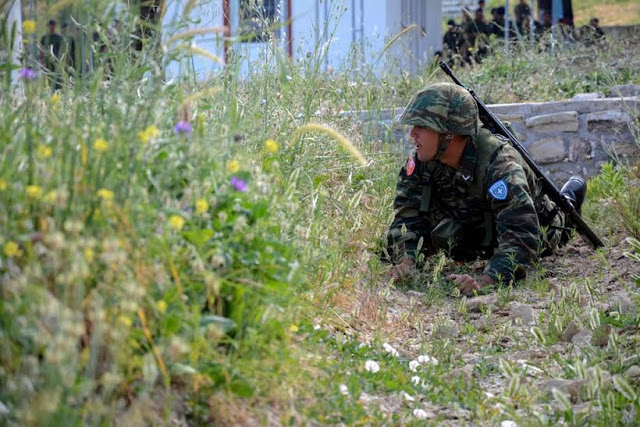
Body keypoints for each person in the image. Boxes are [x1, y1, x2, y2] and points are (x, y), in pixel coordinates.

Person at [382, 83, 586, 295]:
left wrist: (485, 281)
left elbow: (521, 239)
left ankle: (570, 198)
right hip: (474, 227)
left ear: (450, 134)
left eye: (422, 126)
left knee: (557, 230)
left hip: (539, 228)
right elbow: (406, 219)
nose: (412, 134)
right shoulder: (421, 163)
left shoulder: (501, 167)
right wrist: (407, 261)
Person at [39, 19, 64, 89]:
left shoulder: (58, 38)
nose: (51, 27)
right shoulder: (44, 38)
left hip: (57, 61)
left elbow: (62, 51)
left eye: (52, 26)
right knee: (49, 78)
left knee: (58, 78)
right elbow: (41, 50)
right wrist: (41, 62)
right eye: (50, 26)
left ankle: (58, 91)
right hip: (48, 62)